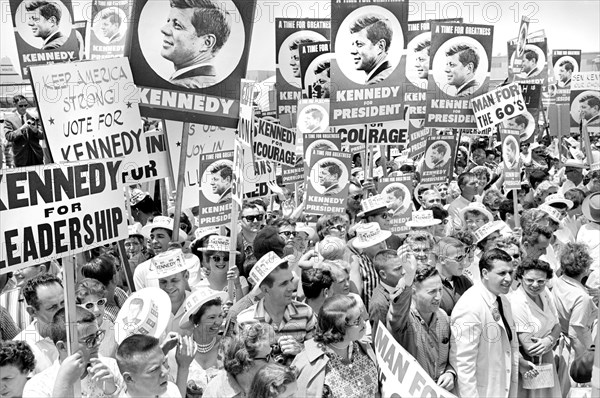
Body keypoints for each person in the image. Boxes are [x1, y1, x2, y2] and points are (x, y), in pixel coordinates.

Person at [450, 249, 520, 398]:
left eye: (510, 272)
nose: (508, 278)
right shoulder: (470, 305)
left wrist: (519, 363)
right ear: (485, 273)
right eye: (502, 273)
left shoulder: (503, 299)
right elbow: (463, 363)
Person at [22, 307, 124, 398]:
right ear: (62, 347)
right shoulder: (39, 386)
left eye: (98, 335)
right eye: (89, 340)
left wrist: (113, 392)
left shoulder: (111, 367)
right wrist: (63, 384)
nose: (97, 343)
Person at [236, 252, 316, 364]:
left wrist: (301, 350)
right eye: (283, 284)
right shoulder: (244, 320)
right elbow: (240, 364)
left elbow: (319, 355)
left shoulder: (306, 313)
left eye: (291, 280)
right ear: (265, 290)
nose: (292, 287)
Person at [388, 259, 456, 391]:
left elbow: (454, 355)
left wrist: (450, 372)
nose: (438, 297)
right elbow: (397, 309)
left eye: (440, 290)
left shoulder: (443, 316)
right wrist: (408, 279)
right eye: (431, 292)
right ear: (413, 293)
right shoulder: (404, 319)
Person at [292, 295, 378, 398]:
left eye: (361, 317)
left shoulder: (364, 347)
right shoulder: (309, 364)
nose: (364, 324)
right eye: (356, 321)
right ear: (338, 329)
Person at [508, 258, 561, 398]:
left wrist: (548, 340)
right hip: (530, 364)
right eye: (530, 280)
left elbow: (558, 325)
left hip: (547, 358)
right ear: (520, 278)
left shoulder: (545, 294)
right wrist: (552, 338)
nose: (535, 285)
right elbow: (530, 347)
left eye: (541, 281)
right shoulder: (517, 301)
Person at [168, 289, 228, 397]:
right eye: (212, 317)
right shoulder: (177, 352)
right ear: (195, 321)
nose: (218, 322)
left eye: (220, 316)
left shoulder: (229, 347)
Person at [160, 0, 231, 88]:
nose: (164, 29)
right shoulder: (214, 81)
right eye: (168, 21)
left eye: (177, 25)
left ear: (206, 43)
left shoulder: (181, 86)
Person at [202, 324, 272, 397]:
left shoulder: (272, 386)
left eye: (271, 354)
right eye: (267, 357)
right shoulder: (215, 393)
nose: (272, 362)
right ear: (246, 363)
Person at [13, 274, 64, 374]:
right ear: (32, 312)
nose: (62, 311)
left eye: (63, 302)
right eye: (52, 307)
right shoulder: (21, 351)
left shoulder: (84, 328)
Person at [116, 334, 182, 398]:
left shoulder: (171, 390)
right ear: (129, 378)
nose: (165, 372)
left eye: (164, 362)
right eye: (154, 370)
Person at [134, 216, 188, 290]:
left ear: (172, 240)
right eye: (152, 237)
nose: (154, 241)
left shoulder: (189, 263)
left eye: (160, 236)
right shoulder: (142, 270)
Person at [75, 278, 118, 359]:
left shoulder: (112, 327)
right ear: (79, 307)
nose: (97, 309)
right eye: (89, 305)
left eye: (100, 302)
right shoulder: (75, 333)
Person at [350, 223, 390, 309]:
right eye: (376, 243)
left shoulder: (390, 260)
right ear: (364, 247)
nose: (382, 246)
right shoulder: (358, 265)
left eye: (383, 241)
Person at [81, 255, 130, 324]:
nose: (119, 271)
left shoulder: (118, 291)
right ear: (114, 278)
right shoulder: (101, 316)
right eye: (117, 269)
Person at [349, 14, 394, 85]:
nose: (352, 51)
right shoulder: (390, 74)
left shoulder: (374, 84)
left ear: (380, 46)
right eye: (353, 45)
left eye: (359, 44)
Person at [434, 237, 473, 315]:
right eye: (459, 258)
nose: (464, 262)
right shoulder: (430, 284)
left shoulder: (465, 281)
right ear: (442, 260)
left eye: (464, 257)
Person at [368, 250, 403, 333]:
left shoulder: (402, 287)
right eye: (397, 269)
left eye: (403, 267)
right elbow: (381, 339)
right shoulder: (379, 304)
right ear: (383, 274)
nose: (403, 272)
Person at [3, 96, 44, 167]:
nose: (24, 108)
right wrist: (22, 129)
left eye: (25, 105)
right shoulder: (9, 119)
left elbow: (43, 135)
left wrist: (36, 131)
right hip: (19, 157)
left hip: (36, 155)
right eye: (21, 106)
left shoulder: (35, 117)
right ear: (15, 105)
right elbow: (9, 136)